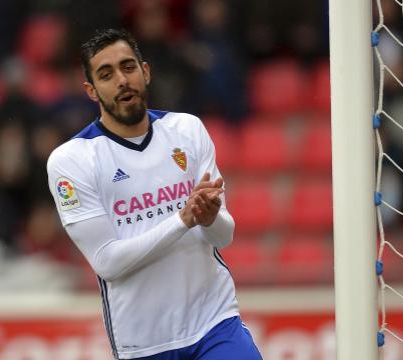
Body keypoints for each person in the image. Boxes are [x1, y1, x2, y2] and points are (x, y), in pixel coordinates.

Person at [46, 29, 262, 360]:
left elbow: (224, 236)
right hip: (144, 343)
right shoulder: (72, 160)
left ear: (145, 72)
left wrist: (208, 219)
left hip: (215, 322)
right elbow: (107, 262)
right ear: (91, 91)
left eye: (128, 67)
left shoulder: (187, 130)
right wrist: (183, 220)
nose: (121, 80)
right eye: (106, 74)